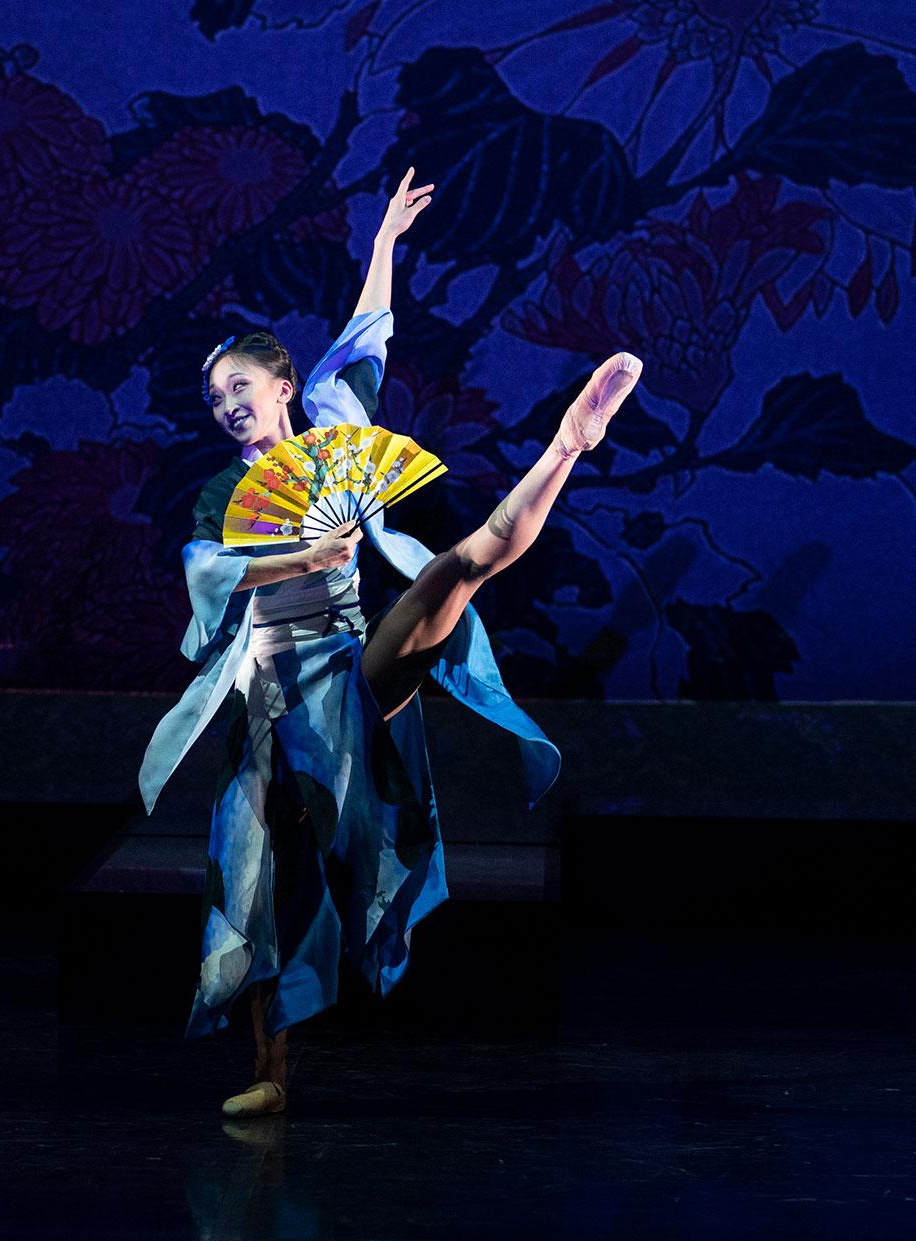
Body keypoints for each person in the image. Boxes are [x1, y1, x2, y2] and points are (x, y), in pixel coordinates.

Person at [140, 169, 642, 1118]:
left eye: (240, 386)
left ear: (284, 386)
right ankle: (270, 1076)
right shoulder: (225, 497)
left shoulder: (332, 429)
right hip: (269, 702)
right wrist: (295, 558)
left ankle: (570, 441)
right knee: (261, 884)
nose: (228, 405)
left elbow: (364, 341)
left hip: (350, 669)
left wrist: (382, 246)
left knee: (456, 568)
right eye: (214, 399)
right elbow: (205, 573)